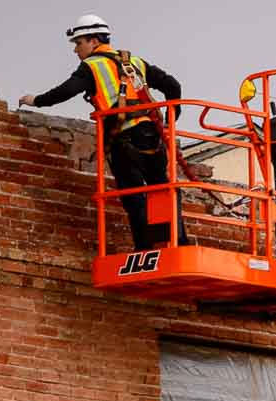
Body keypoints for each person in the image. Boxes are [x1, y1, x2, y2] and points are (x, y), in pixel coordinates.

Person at [21, 15, 185, 251]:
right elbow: (173, 86)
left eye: (79, 43)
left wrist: (35, 100)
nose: (76, 50)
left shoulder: (92, 66)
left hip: (124, 138)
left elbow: (66, 91)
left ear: (94, 41)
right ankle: (177, 242)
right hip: (152, 135)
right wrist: (171, 120)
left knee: (133, 195)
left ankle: (146, 249)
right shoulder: (134, 61)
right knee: (163, 189)